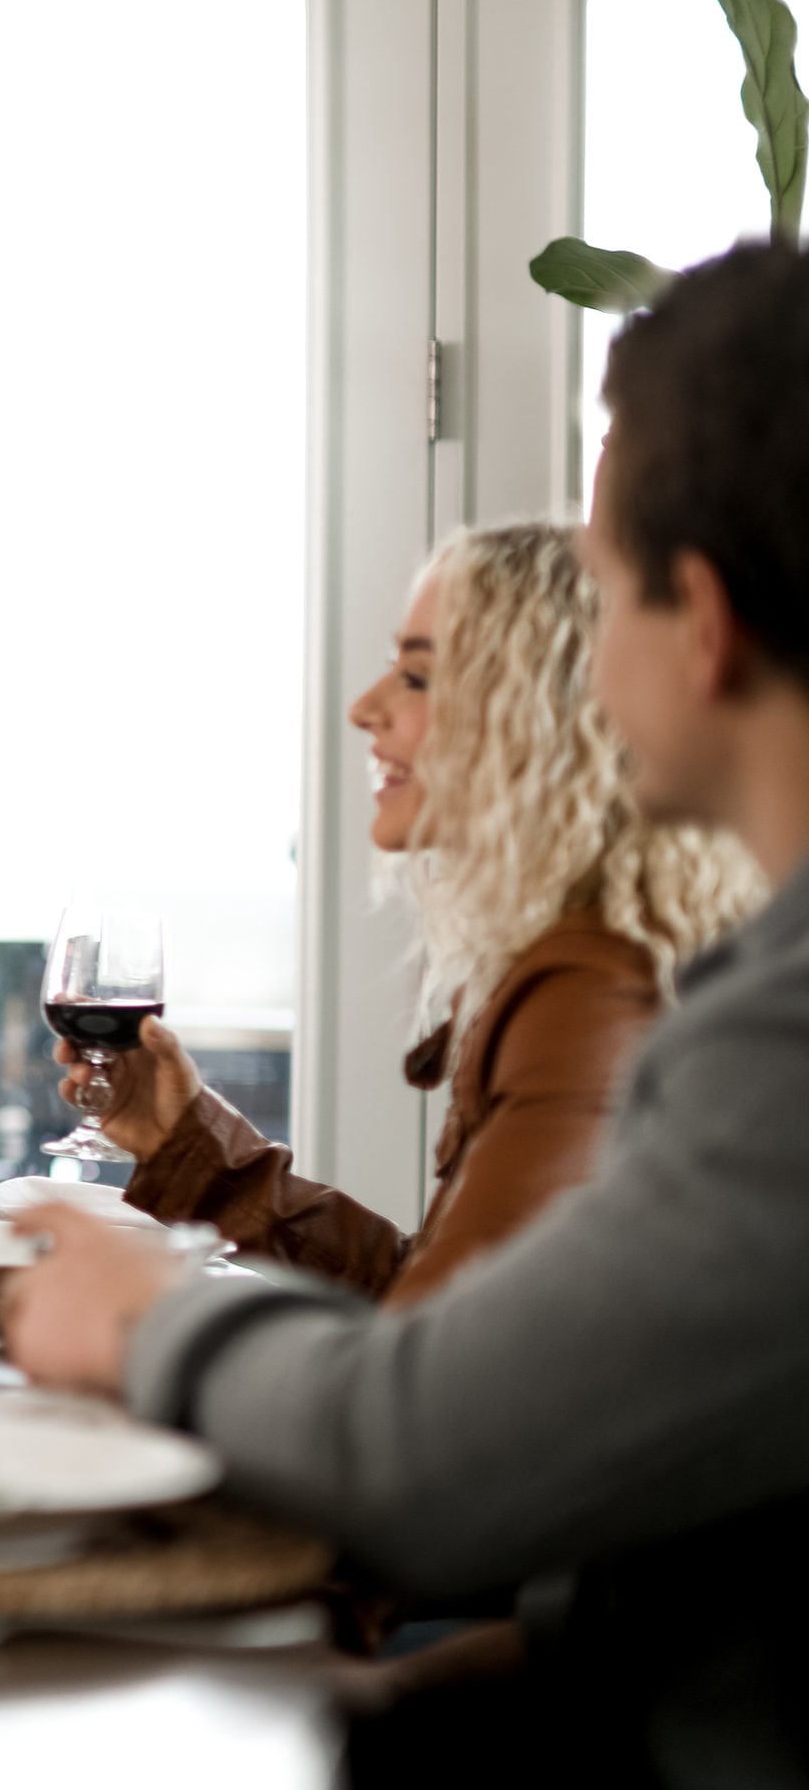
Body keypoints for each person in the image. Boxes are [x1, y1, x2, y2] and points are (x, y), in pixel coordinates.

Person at [3, 241, 809, 1783]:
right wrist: (206, 1163)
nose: (373, 709)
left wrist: (153, 1317)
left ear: (696, 622)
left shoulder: (733, 1029)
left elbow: (437, 1449)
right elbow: (528, 1379)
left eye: (609, 575)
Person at [62, 520, 756, 1306]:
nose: (365, 707)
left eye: (418, 678)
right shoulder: (583, 953)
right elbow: (426, 1300)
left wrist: (151, 1328)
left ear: (539, 718)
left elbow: (441, 1385)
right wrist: (186, 1143)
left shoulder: (589, 988)